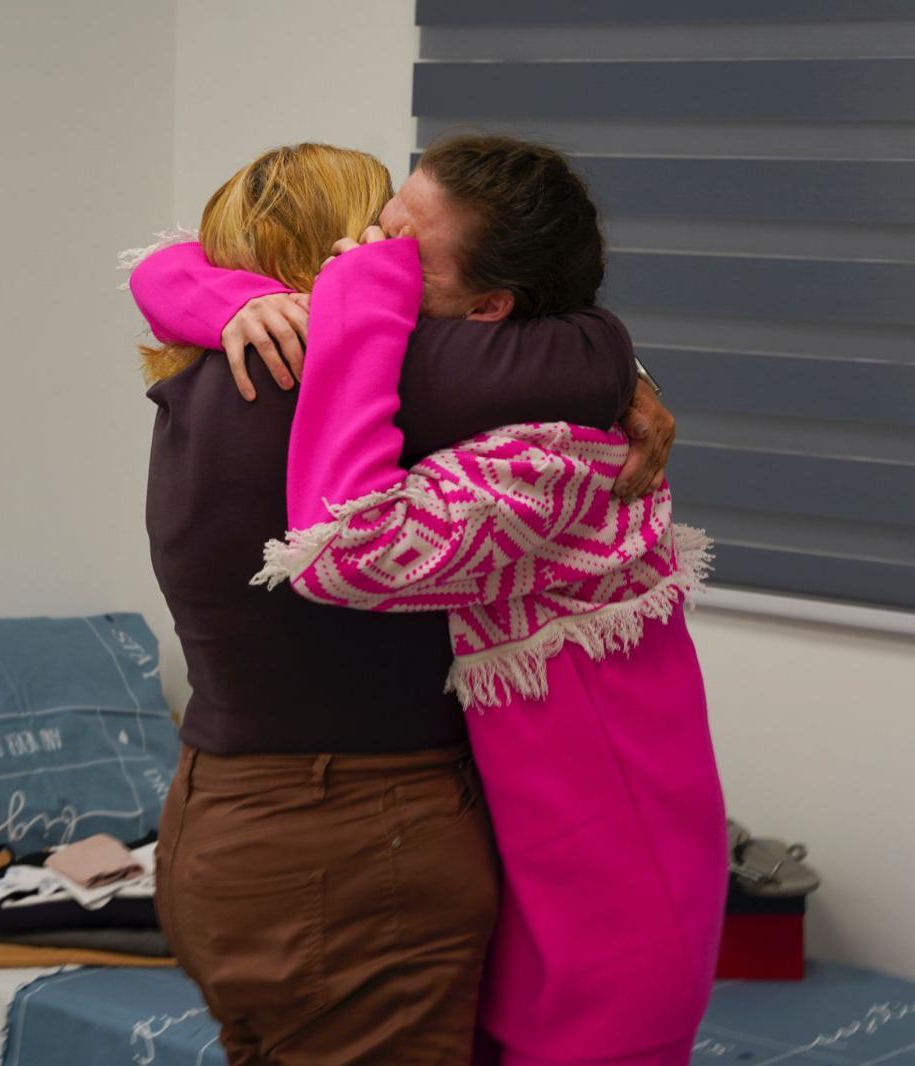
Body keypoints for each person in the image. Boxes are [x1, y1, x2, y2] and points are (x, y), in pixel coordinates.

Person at [144, 136, 727, 1066]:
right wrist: (630, 369)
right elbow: (583, 348)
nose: (369, 255)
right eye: (371, 235)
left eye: (391, 246)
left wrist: (227, 297)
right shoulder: (387, 377)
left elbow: (161, 267)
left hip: (214, 821)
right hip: (354, 839)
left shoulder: (199, 381)